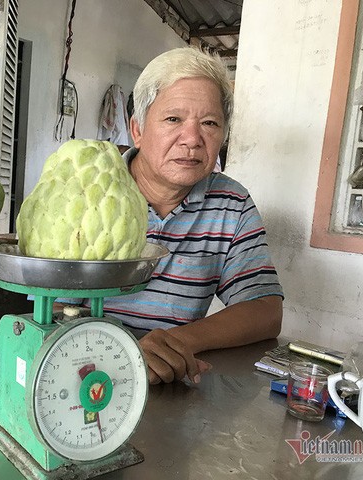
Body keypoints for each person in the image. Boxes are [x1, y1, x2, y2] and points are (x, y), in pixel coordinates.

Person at [100, 47, 284, 385]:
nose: (192, 140)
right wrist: (127, 350)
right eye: (173, 119)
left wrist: (175, 343)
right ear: (137, 129)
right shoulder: (94, 192)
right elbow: (51, 309)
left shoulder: (232, 203)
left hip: (169, 378)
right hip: (85, 376)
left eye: (209, 123)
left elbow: (265, 309)